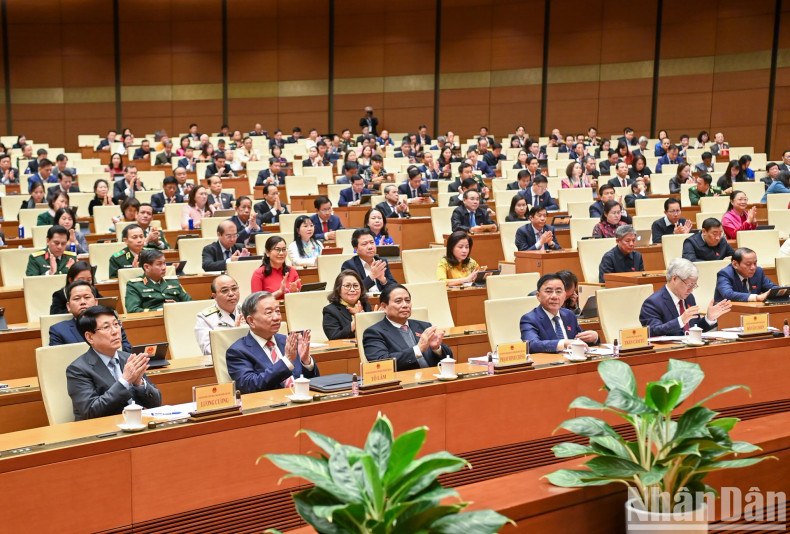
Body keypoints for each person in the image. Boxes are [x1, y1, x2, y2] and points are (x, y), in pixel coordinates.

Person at [66, 305, 162, 421]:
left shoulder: (128, 358)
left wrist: (139, 383)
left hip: (136, 423)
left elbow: (156, 403)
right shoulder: (78, 369)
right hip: (103, 428)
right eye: (106, 327)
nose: (115, 331)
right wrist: (125, 380)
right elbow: (90, 412)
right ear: (90, 337)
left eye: (116, 324)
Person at [226, 291, 319, 394]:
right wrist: (286, 361)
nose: (277, 317)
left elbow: (314, 381)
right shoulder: (238, 351)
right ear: (251, 321)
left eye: (278, 311)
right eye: (269, 313)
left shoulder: (288, 341)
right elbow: (249, 386)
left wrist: (306, 362)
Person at [362, 284, 452, 370]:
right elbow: (381, 363)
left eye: (407, 300)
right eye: (398, 301)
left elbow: (449, 357)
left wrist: (436, 348)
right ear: (384, 306)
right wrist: (418, 349)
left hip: (433, 376)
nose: (405, 305)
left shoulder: (424, 326)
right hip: (404, 379)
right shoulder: (374, 333)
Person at [639, 258, 732, 336]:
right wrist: (681, 320)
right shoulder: (652, 303)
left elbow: (695, 328)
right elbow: (653, 331)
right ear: (674, 278)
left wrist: (709, 318)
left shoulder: (689, 298)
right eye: (689, 284)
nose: (691, 290)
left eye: (694, 285)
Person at [520, 273, 599, 353]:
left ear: (565, 295)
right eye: (548, 291)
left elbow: (580, 340)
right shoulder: (529, 319)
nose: (554, 296)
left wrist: (594, 338)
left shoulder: (569, 315)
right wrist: (563, 343)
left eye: (558, 291)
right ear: (538, 295)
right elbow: (532, 344)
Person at [50, 280, 132, 352]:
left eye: (87, 297)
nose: (83, 302)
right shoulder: (58, 330)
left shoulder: (113, 324)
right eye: (77, 299)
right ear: (68, 306)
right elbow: (59, 359)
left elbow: (127, 351)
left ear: (96, 302)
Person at [125, 250, 192, 312]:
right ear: (147, 267)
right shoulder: (134, 285)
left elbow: (190, 303)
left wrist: (176, 306)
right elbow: (132, 310)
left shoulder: (173, 281)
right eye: (159, 264)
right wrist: (160, 310)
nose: (164, 267)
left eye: (164, 263)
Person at [194, 275, 244, 355]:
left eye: (234, 289)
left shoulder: (249, 310)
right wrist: (235, 334)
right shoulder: (205, 318)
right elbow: (208, 350)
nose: (231, 294)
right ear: (214, 296)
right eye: (224, 291)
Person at [341, 228, 397, 295]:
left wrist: (383, 280)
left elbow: (396, 289)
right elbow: (352, 290)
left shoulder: (381, 262)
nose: (370, 247)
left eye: (372, 242)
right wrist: (372, 276)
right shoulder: (349, 265)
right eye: (364, 244)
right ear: (356, 249)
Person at [322, 270, 373, 340]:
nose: (352, 289)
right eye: (347, 286)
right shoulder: (330, 311)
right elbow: (333, 337)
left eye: (356, 286)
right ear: (338, 290)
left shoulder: (366, 306)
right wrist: (355, 323)